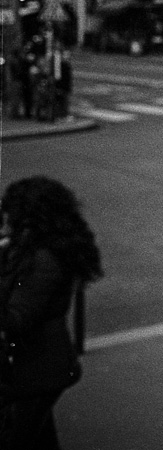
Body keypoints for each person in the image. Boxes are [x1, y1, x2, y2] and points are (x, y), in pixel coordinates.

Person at [1, 176, 104, 448]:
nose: (6, 217)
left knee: (17, 439)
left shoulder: (44, 259)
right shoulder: (38, 246)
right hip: (39, 367)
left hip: (35, 371)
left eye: (10, 210)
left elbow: (17, 319)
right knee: (39, 438)